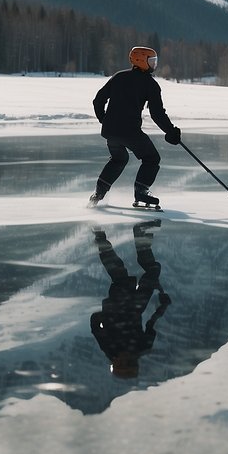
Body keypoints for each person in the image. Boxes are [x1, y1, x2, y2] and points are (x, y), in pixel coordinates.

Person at [89, 46, 182, 209]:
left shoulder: (118, 77)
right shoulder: (150, 84)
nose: (154, 64)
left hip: (110, 132)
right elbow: (157, 113)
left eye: (155, 61)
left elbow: (98, 100)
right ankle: (141, 191)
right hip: (130, 132)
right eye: (151, 61)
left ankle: (99, 192)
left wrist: (105, 120)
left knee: (119, 159)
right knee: (151, 159)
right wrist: (171, 131)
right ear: (141, 61)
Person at [90, 222, 171, 378]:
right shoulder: (141, 347)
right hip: (135, 307)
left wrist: (109, 313)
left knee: (120, 274)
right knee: (151, 272)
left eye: (119, 363)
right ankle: (140, 237)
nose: (122, 360)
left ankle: (101, 237)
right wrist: (162, 306)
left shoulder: (110, 348)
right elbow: (152, 323)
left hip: (122, 304)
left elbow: (95, 324)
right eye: (129, 363)